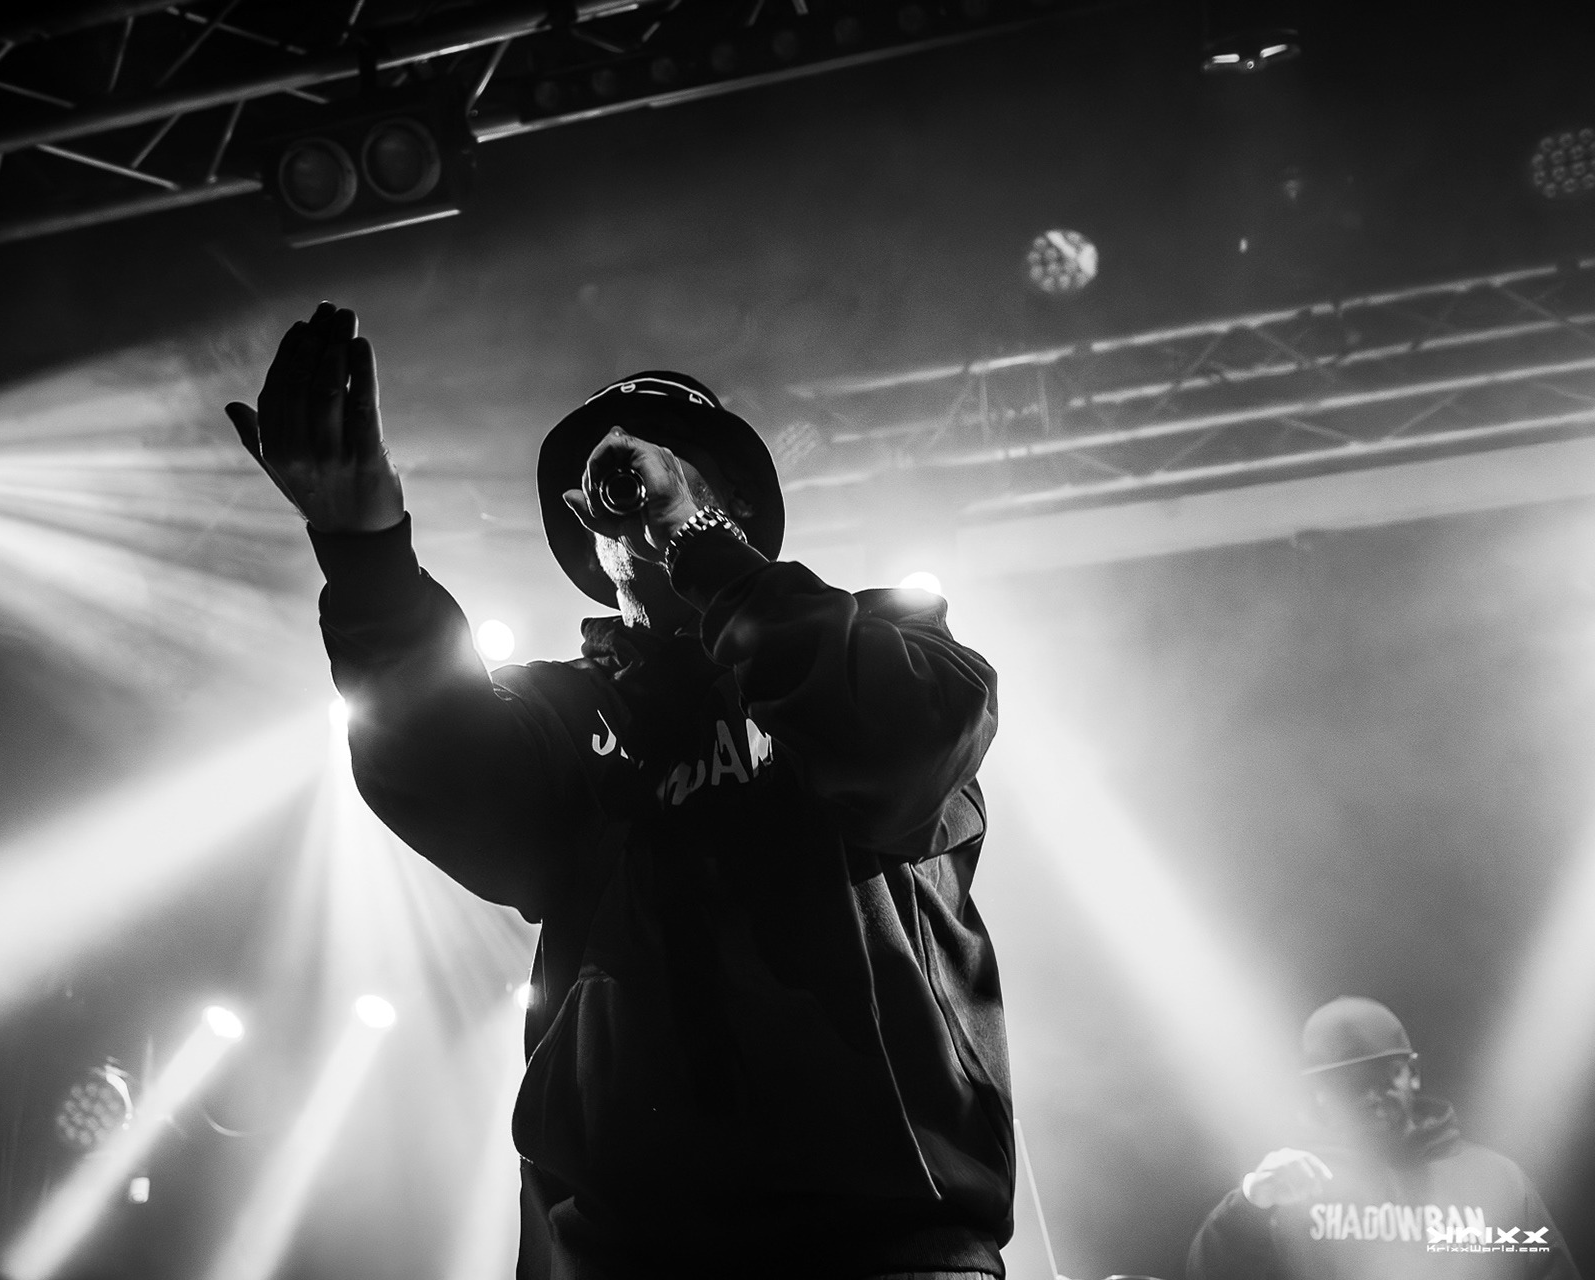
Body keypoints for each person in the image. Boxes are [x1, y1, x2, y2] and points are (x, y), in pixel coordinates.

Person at [226, 303, 1012, 1279]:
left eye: (679, 465)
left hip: (890, 1246)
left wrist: (703, 546)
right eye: (616, 483)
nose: (642, 491)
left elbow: (907, 742)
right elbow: (439, 765)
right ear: (585, 530)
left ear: (731, 500)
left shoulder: (885, 634)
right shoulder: (563, 710)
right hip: (627, 1252)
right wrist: (365, 552)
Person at [1187, 996, 1580, 1280]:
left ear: (1412, 1073)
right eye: (1348, 1084)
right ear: (1319, 1095)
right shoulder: (1288, 1187)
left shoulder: (1497, 1182)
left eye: (1383, 1075)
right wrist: (1251, 1205)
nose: (1371, 1096)